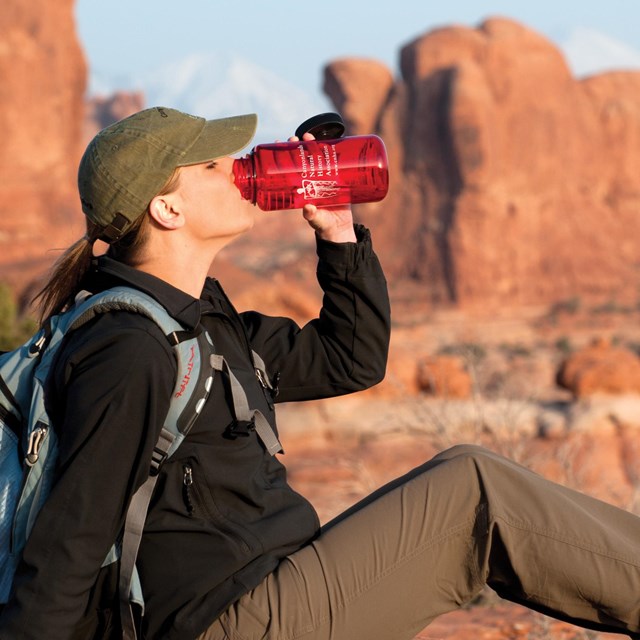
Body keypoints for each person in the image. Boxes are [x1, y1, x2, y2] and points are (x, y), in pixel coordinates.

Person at [0, 106, 638, 640]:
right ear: (168, 209)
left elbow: (349, 358)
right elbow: (68, 545)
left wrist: (337, 228)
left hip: (273, 583)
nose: (238, 166)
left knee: (459, 465)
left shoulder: (204, 326)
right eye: (212, 164)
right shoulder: (129, 349)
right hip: (224, 622)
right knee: (476, 491)